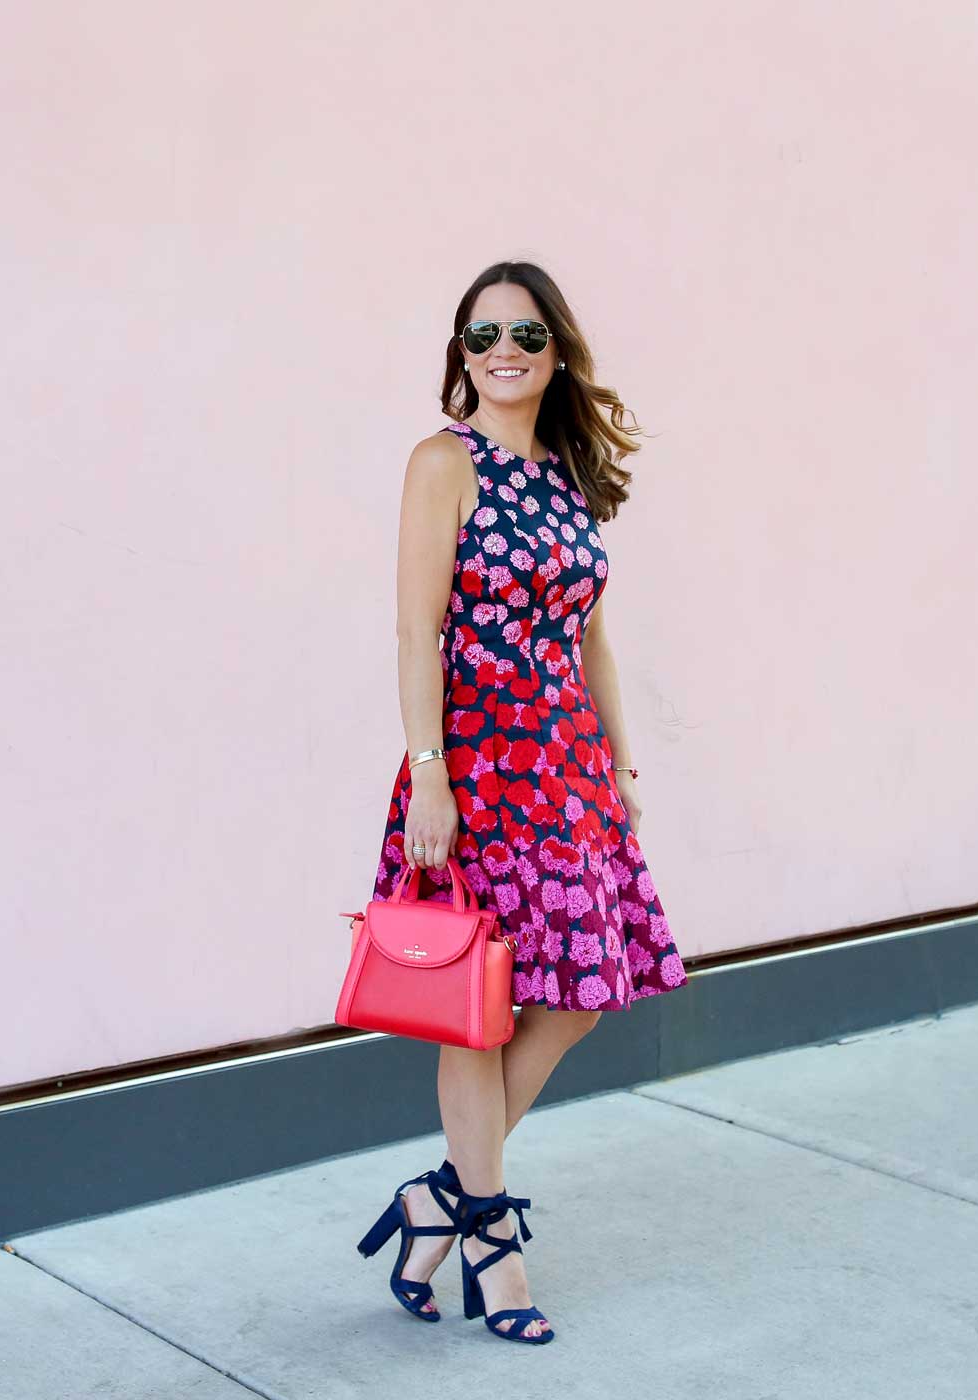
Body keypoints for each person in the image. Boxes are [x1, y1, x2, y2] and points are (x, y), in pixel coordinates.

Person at [356, 260, 690, 1345]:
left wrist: (623, 765)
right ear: (461, 353)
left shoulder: (565, 473)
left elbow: (589, 629)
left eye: (526, 334)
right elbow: (418, 630)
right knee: (481, 1003)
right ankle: (492, 1238)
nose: (503, 348)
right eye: (482, 332)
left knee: (582, 989)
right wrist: (429, 774)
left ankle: (439, 1197)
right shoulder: (440, 464)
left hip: (571, 767)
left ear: (557, 354)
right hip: (480, 765)